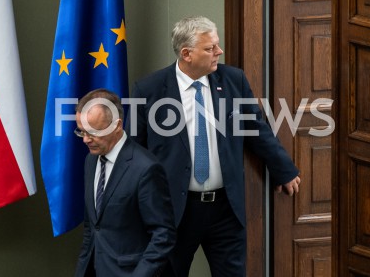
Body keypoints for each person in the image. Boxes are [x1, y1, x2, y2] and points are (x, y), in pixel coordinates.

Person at [125, 16, 301, 277]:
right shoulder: (149, 90)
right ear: (187, 54)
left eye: (217, 46)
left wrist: (284, 169)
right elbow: (133, 153)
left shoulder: (233, 80)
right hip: (173, 212)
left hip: (225, 210)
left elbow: (256, 128)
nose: (219, 52)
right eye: (210, 49)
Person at [73, 89, 176, 277]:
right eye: (82, 131)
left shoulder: (146, 169)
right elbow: (92, 226)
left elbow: (163, 235)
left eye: (93, 132)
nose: (86, 140)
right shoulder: (91, 161)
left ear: (117, 126)